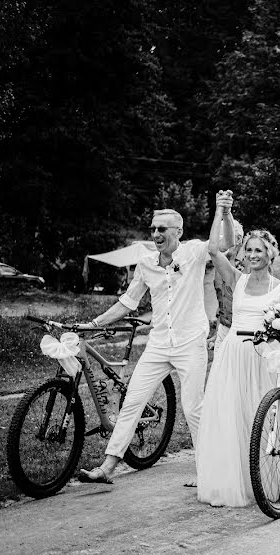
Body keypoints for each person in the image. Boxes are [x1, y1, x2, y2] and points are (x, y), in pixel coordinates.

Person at [78, 206, 214, 486]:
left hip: (190, 343)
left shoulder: (194, 253)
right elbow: (128, 301)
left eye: (162, 229)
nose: (155, 234)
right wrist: (94, 323)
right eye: (153, 229)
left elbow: (222, 243)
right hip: (159, 344)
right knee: (132, 403)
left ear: (179, 232)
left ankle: (208, 473)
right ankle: (108, 466)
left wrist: (223, 210)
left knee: (193, 409)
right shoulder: (147, 263)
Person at [196, 198, 280, 507]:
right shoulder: (237, 279)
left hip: (264, 360)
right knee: (233, 416)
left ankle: (273, 481)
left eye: (259, 250)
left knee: (264, 419)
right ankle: (237, 482)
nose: (253, 255)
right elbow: (214, 250)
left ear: (270, 253)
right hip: (233, 354)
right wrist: (223, 213)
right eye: (249, 250)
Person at [212, 217, 246, 352]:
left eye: (221, 237)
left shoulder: (250, 265)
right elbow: (221, 305)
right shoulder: (219, 265)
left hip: (244, 333)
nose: (218, 242)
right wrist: (216, 335)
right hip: (224, 329)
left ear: (237, 239)